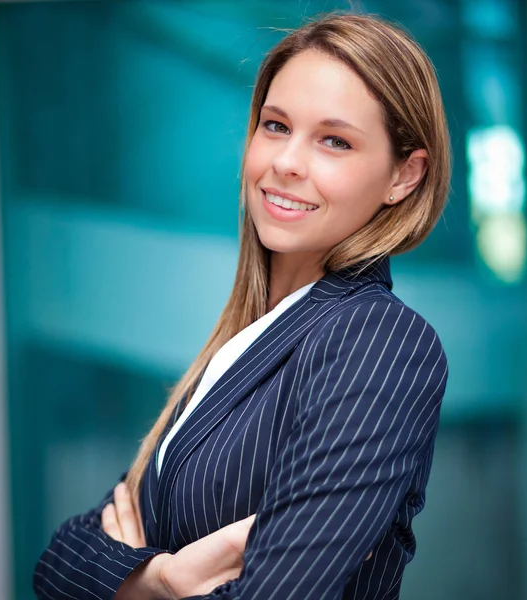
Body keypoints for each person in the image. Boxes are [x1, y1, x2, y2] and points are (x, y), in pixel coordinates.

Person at [33, 11, 450, 600]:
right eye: (276, 126)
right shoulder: (249, 339)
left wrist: (126, 580)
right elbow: (54, 569)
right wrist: (160, 580)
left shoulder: (377, 339)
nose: (286, 162)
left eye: (335, 140)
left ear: (404, 175)